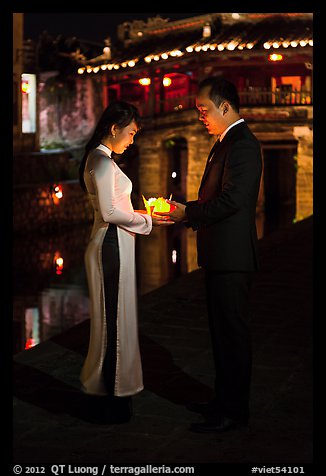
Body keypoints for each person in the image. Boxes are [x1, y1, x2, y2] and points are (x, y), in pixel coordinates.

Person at [162, 77, 263, 433]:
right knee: (220, 335)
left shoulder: (243, 145)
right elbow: (214, 199)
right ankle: (222, 400)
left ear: (225, 106)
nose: (200, 116)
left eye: (204, 109)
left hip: (233, 256)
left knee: (233, 335)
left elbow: (233, 200)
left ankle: (234, 411)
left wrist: (186, 214)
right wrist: (184, 208)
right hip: (219, 254)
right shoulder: (223, 143)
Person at [78, 100, 171, 424]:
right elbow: (109, 212)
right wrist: (147, 220)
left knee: (116, 321)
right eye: (130, 133)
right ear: (114, 128)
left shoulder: (101, 160)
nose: (132, 139)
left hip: (116, 244)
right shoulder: (102, 163)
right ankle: (111, 396)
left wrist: (144, 219)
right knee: (114, 323)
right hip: (110, 246)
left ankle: (108, 392)